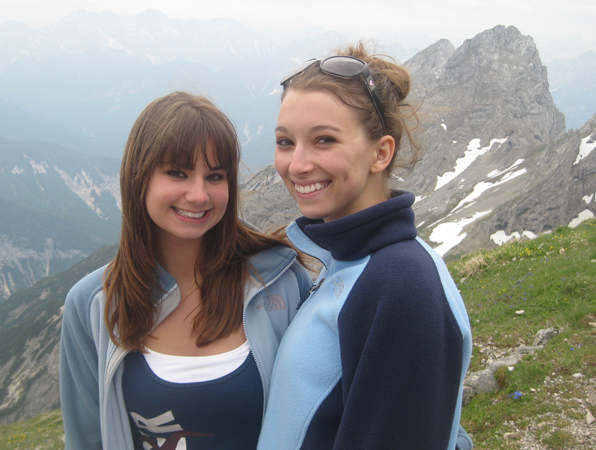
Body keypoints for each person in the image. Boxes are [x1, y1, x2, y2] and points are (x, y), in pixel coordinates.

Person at [59, 91, 312, 450]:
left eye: (215, 176)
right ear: (138, 178)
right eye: (177, 173)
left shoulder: (280, 282)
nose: (198, 195)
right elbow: (87, 440)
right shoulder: (93, 305)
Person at [257, 44, 474, 450]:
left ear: (381, 153)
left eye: (323, 140)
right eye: (285, 142)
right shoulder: (351, 262)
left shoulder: (400, 286)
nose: (297, 164)